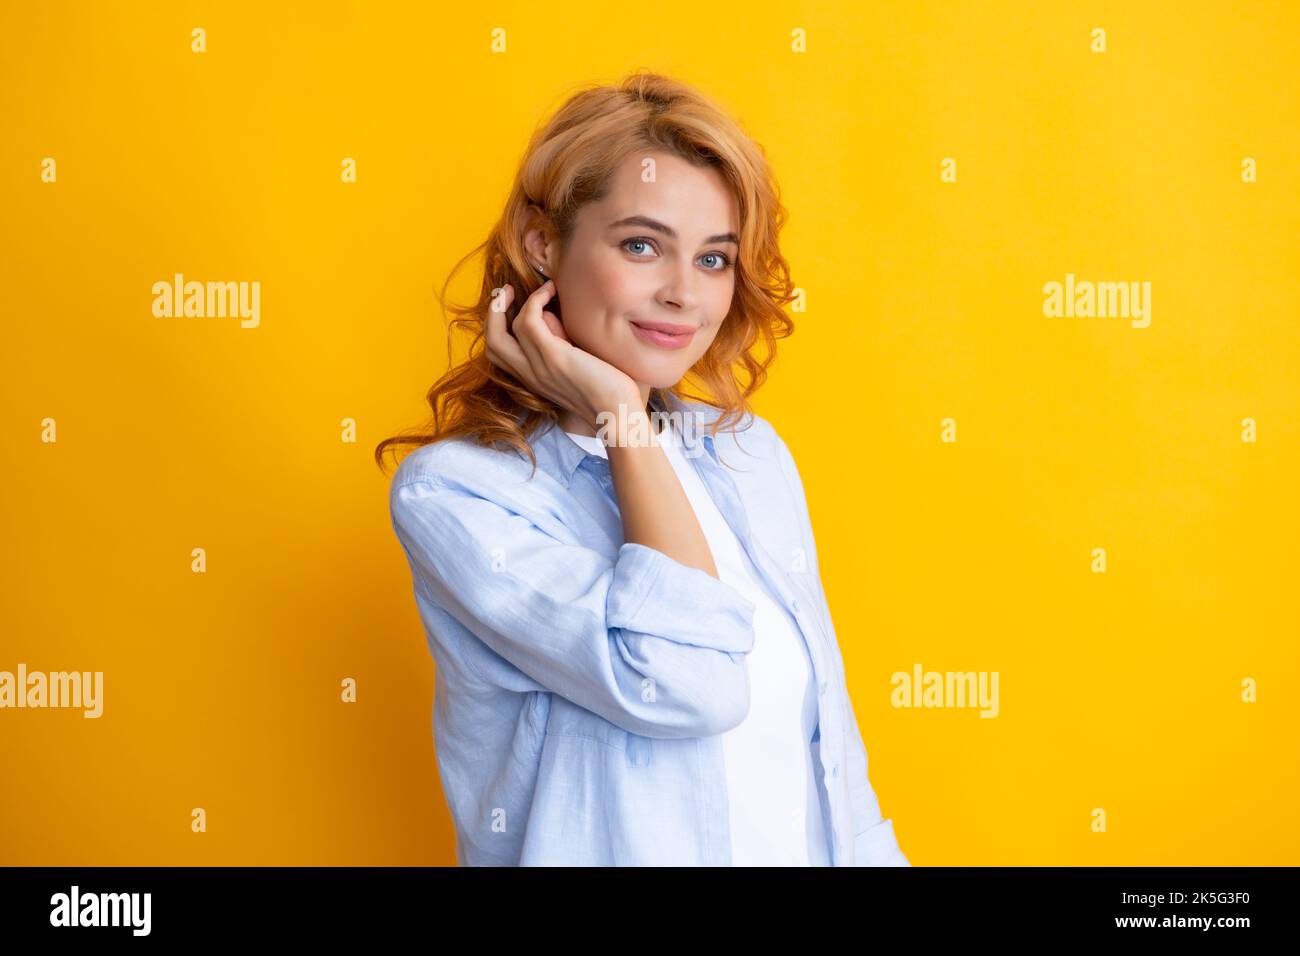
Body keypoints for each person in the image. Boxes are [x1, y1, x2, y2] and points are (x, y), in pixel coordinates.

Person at [376, 70, 910, 867]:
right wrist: (624, 420)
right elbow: (689, 682)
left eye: (714, 260)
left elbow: (830, 751)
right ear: (541, 244)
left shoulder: (746, 453)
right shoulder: (459, 496)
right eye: (640, 245)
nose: (683, 296)